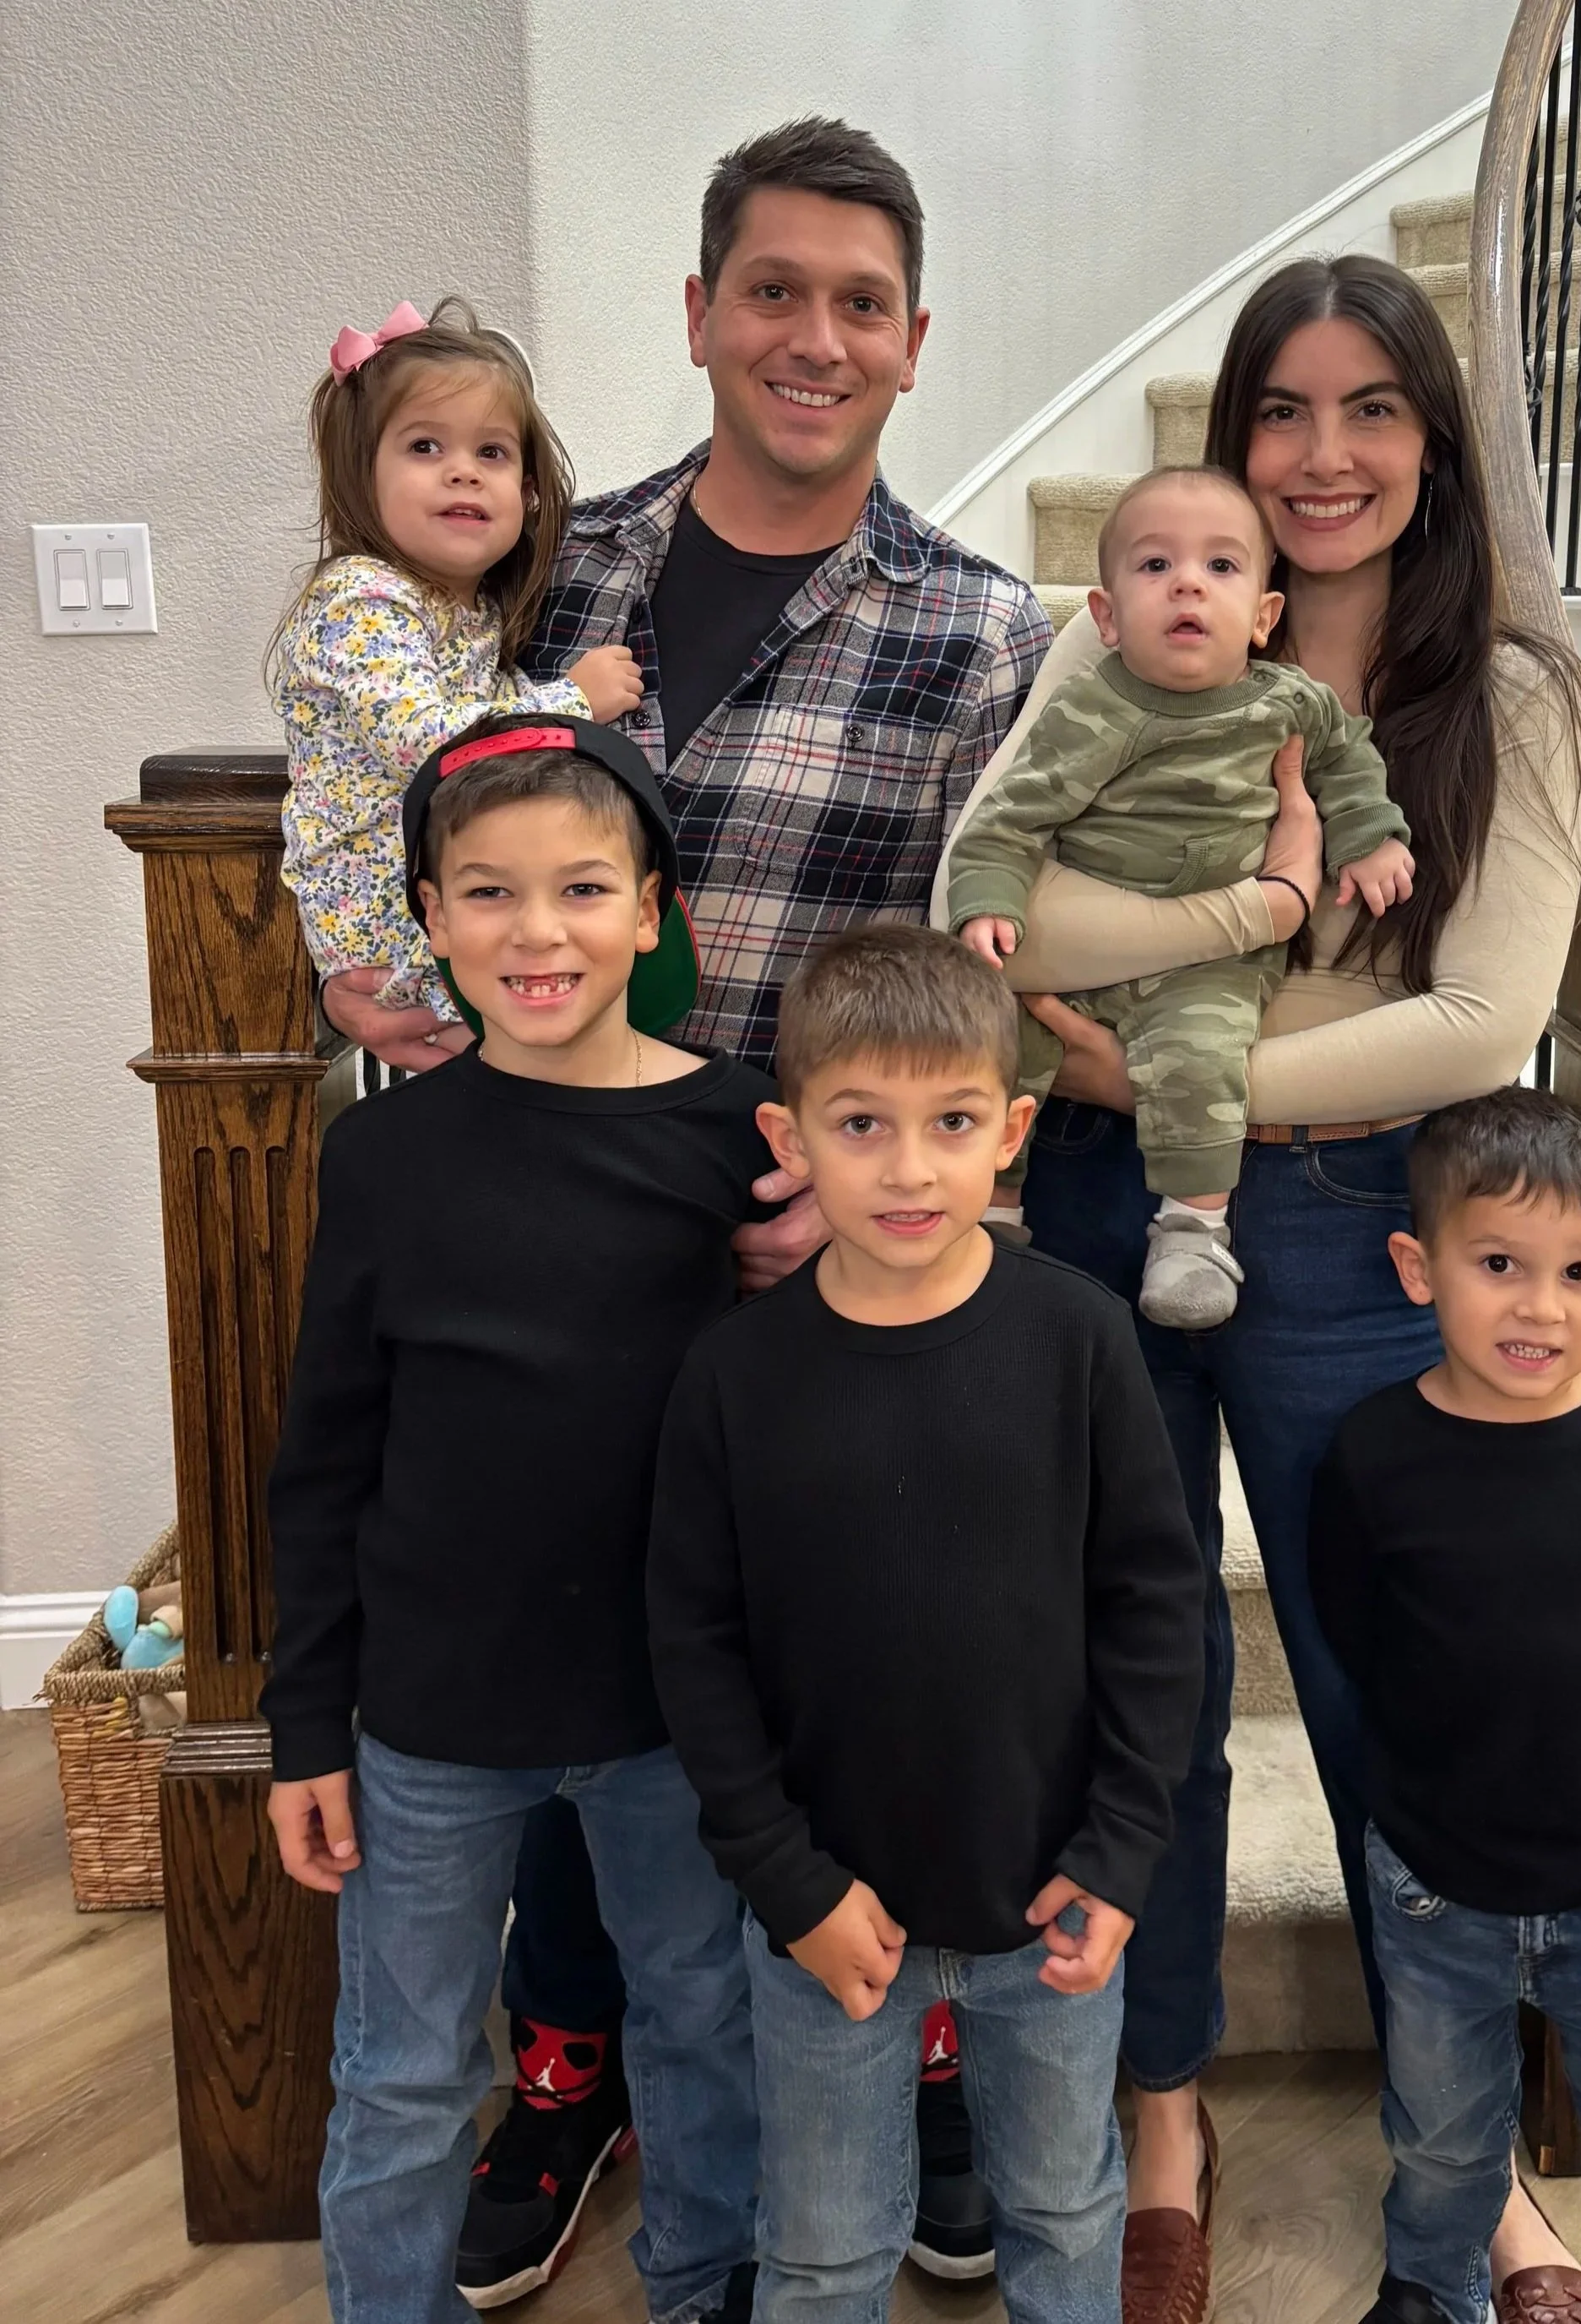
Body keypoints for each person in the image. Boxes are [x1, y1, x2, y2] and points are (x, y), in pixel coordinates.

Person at [314, 120, 1060, 2294]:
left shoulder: (981, 635)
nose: (810, 338)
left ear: (912, 345)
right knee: (531, 1636)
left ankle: (889, 2033)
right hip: (523, 1233)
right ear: (701, 312)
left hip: (798, 1259)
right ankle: (572, 2069)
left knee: (770, 1678)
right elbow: (385, 804)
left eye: (857, 302)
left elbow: (980, 969)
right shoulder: (543, 572)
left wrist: (870, 1218)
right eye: (772, 290)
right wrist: (353, 961)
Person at [935, 251, 1581, 2324]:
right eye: (1281, 414)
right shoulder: (1109, 639)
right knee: (1137, 1687)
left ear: (1434, 442)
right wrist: (1193, 977)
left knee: (1379, 1685)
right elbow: (1006, 893)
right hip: (1106, 1215)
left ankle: (1472, 2173)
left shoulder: (1499, 697)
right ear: (1229, 447)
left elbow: (1483, 1018)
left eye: (1370, 411)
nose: (1322, 458)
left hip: (1354, 1235)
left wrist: (1179, 1057)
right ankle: (1163, 2113)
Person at [260, 715, 768, 2324]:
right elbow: (327, 1453)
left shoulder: (749, 1136)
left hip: (677, 1711)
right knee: (406, 2077)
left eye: (579, 889)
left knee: (701, 2029)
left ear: (650, 907)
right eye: (485, 892)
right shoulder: (385, 1155)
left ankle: (708, 2292)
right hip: (430, 1718)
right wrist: (301, 1727)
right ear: (427, 910)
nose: (534, 932)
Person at [646, 923, 1206, 2324]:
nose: (906, 1168)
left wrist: (1123, 1851)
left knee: (1067, 2213)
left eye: (950, 1121)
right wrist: (785, 1879)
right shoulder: (732, 1373)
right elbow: (694, 1643)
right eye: (860, 1125)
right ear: (790, 1135)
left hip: (1053, 1908)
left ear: (1012, 1129)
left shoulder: (1078, 1343)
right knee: (826, 2249)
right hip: (828, 1916)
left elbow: (1156, 1610)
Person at [1310, 1087, 1581, 2324]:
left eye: (1575, 1270)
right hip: (1437, 1884)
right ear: (1416, 1265)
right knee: (1440, 2145)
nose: (1539, 1305)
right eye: (1498, 1263)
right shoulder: (1371, 1452)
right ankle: (1433, 2291)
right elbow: (1353, 1624)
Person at [947, 464, 1412, 1328]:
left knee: (1205, 1061)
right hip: (1083, 953)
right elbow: (1009, 820)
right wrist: (989, 902)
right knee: (994, 1043)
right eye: (1156, 567)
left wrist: (1371, 837)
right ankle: (993, 1209)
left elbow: (1349, 764)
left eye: (1223, 568)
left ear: (1265, 617)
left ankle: (1194, 1233)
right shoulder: (1090, 709)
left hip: (1213, 966)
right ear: (1107, 616)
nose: (1189, 583)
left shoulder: (1289, 703)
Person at [273, 296, 643, 1028]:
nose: (462, 473)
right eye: (424, 448)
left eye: (492, 453)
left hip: (441, 891)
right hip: (384, 914)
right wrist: (570, 700)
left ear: (529, 493)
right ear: (361, 474)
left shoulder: (469, 613)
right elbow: (429, 739)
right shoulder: (360, 598)